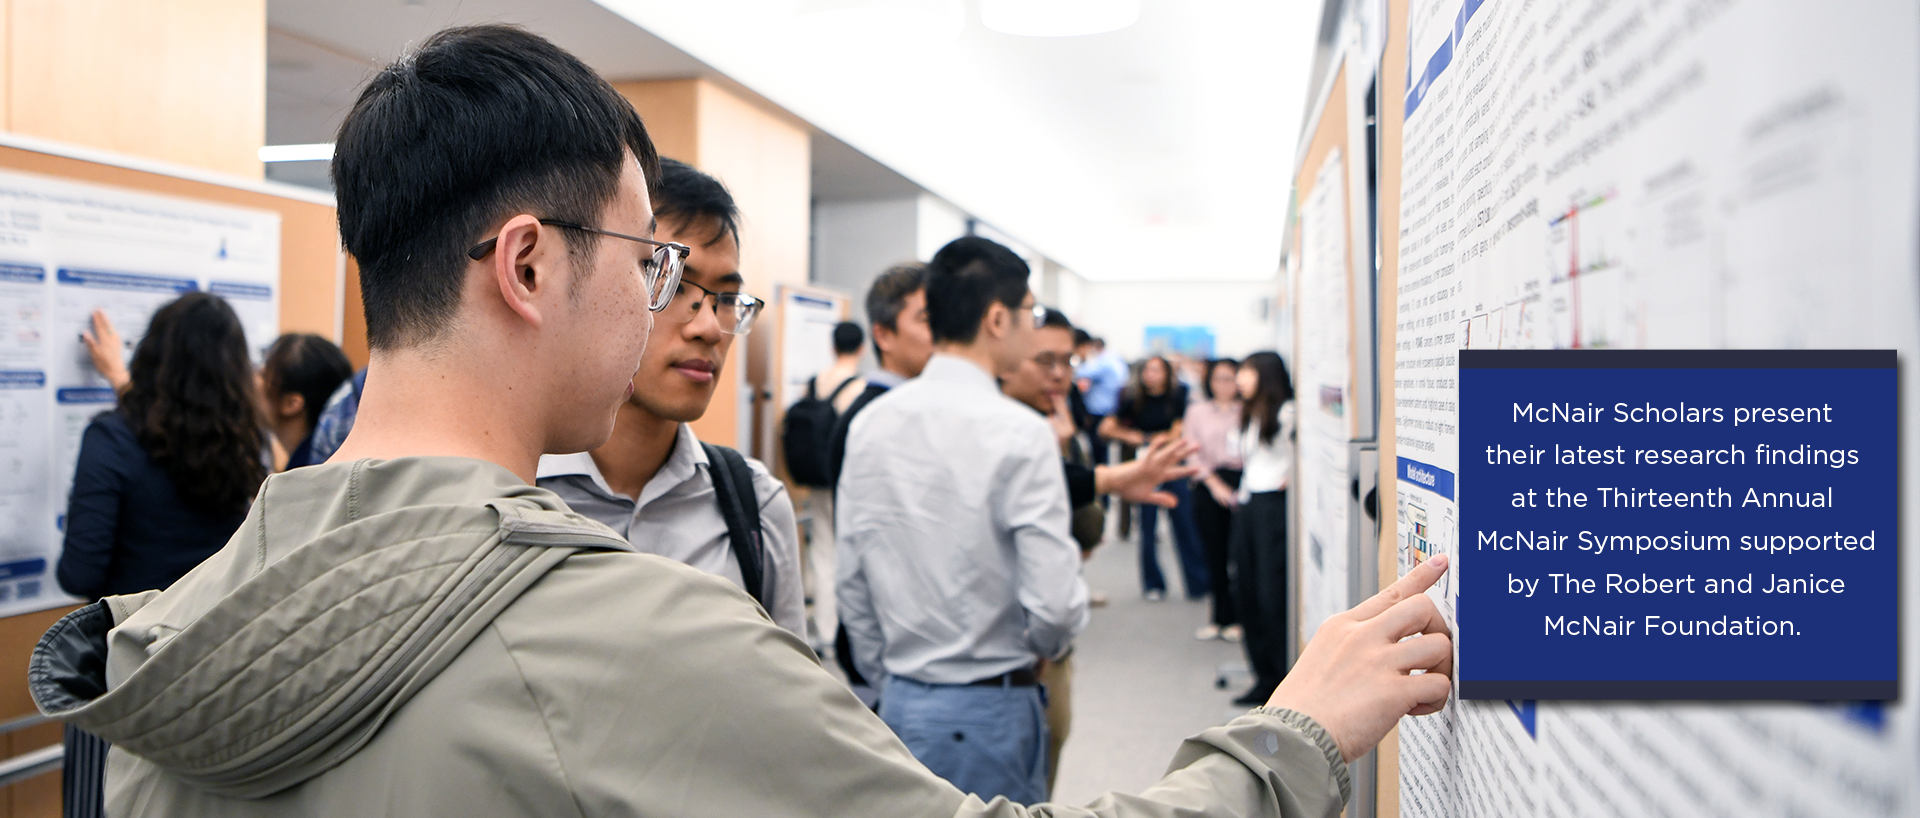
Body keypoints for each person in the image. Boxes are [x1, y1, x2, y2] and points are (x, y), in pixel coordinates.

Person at [30, 25, 1454, 818]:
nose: (680, 309)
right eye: (652, 262)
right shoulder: (612, 631)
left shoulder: (191, 620)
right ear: (528, 265)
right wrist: (1292, 733)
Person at [837, 237, 1088, 804]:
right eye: (1030, 314)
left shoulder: (870, 425)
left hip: (899, 703)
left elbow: (852, 583)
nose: (1032, 328)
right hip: (993, 706)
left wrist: (892, 677)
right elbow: (1053, 608)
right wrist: (1046, 641)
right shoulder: (1021, 432)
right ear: (997, 319)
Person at [535, 158, 804, 638]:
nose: (708, 328)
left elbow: (792, 698)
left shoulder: (754, 505)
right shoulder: (515, 484)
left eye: (725, 298)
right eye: (674, 281)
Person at [56, 293, 270, 818]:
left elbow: (79, 570)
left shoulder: (112, 437)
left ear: (150, 354)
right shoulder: (245, 444)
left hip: (121, 674)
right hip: (211, 664)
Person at [825, 261, 932, 695]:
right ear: (884, 335)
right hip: (890, 658)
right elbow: (865, 552)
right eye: (927, 320)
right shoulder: (871, 419)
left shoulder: (921, 411)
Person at [1099, 355, 1207, 601]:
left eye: (1158, 370)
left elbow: (1177, 431)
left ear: (1167, 374)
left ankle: (1198, 582)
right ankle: (1152, 584)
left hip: (1171, 464)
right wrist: (1133, 436)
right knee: (1146, 528)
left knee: (1184, 523)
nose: (1152, 375)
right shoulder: (1132, 398)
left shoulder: (1179, 395)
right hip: (1144, 465)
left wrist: (1159, 438)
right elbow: (1106, 428)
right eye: (1148, 370)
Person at [1230, 351, 1300, 706]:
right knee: (1247, 590)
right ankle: (1263, 676)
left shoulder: (1287, 413)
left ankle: (1278, 676)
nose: (1239, 379)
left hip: (1273, 505)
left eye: (1246, 372)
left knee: (1271, 594)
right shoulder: (1251, 413)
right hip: (1249, 504)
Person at [1186, 357, 1245, 642]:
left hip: (1243, 481)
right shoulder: (1197, 411)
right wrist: (1213, 483)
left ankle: (1237, 618)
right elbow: (1191, 451)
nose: (1224, 384)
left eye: (1230, 378)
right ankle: (1218, 617)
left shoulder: (1248, 411)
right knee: (1214, 553)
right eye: (1218, 378)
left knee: (1239, 555)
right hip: (1208, 485)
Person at [259, 333, 354, 470]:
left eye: (263, 375)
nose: (254, 382)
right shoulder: (331, 466)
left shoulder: (304, 478)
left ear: (291, 404)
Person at [1072, 332, 1126, 468]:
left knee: (1096, 452)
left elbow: (1079, 373)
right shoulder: (1114, 359)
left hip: (1098, 412)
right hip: (1105, 410)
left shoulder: (1102, 363)